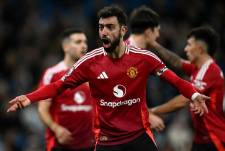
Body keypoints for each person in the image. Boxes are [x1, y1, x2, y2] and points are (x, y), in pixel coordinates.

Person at [7, 5, 209, 151]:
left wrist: (193, 95)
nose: (104, 32)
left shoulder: (144, 58)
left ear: (123, 30)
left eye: (110, 27)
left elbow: (175, 80)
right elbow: (58, 86)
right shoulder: (90, 62)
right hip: (107, 141)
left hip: (139, 136)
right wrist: (29, 97)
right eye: (101, 27)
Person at [149, 26, 225, 151]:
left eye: (189, 45)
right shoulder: (197, 67)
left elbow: (184, 99)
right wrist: (154, 45)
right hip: (201, 138)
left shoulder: (210, 71)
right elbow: (177, 61)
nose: (185, 49)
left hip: (214, 139)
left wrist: (153, 111)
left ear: (200, 49)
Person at [38, 28, 95, 151]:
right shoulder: (52, 74)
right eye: (78, 42)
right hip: (61, 145)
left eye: (85, 42)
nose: (84, 45)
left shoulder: (93, 74)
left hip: (90, 144)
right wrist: (56, 128)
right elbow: (42, 108)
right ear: (66, 47)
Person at [127, 5, 164, 132]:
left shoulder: (140, 54)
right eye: (157, 31)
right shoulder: (127, 55)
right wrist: (147, 116)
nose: (158, 35)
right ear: (148, 32)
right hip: (121, 128)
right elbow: (119, 95)